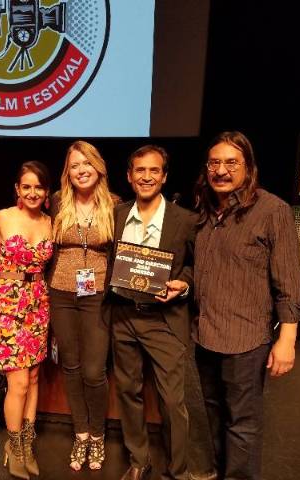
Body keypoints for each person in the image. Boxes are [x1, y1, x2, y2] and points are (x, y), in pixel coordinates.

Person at [191, 131, 300, 480]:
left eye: (231, 162)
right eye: (215, 162)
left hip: (246, 340)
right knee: (213, 414)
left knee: (243, 424)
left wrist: (287, 340)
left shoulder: (273, 211)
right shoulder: (203, 211)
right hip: (205, 335)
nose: (221, 170)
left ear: (248, 167)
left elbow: (290, 283)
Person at [106, 145, 196, 480]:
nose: (146, 177)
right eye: (140, 170)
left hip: (164, 321)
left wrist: (182, 285)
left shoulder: (185, 220)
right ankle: (139, 460)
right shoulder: (116, 215)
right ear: (129, 176)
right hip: (123, 316)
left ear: (164, 176)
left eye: (154, 171)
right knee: (128, 392)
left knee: (172, 401)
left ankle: (178, 470)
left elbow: (196, 267)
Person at [48, 141, 119, 471]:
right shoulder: (57, 202)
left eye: (86, 163)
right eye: (74, 165)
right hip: (61, 294)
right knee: (71, 368)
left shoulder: (115, 206)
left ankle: (98, 434)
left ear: (99, 167)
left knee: (94, 371)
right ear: (68, 171)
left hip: (97, 296)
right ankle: (80, 434)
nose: (81, 170)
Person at [0, 161, 53, 479]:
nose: (32, 192)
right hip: (8, 305)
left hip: (38, 302)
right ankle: (14, 447)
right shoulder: (0, 218)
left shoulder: (50, 222)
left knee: (35, 378)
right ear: (17, 189)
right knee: (19, 381)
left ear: (46, 191)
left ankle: (26, 444)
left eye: (38, 187)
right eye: (26, 186)